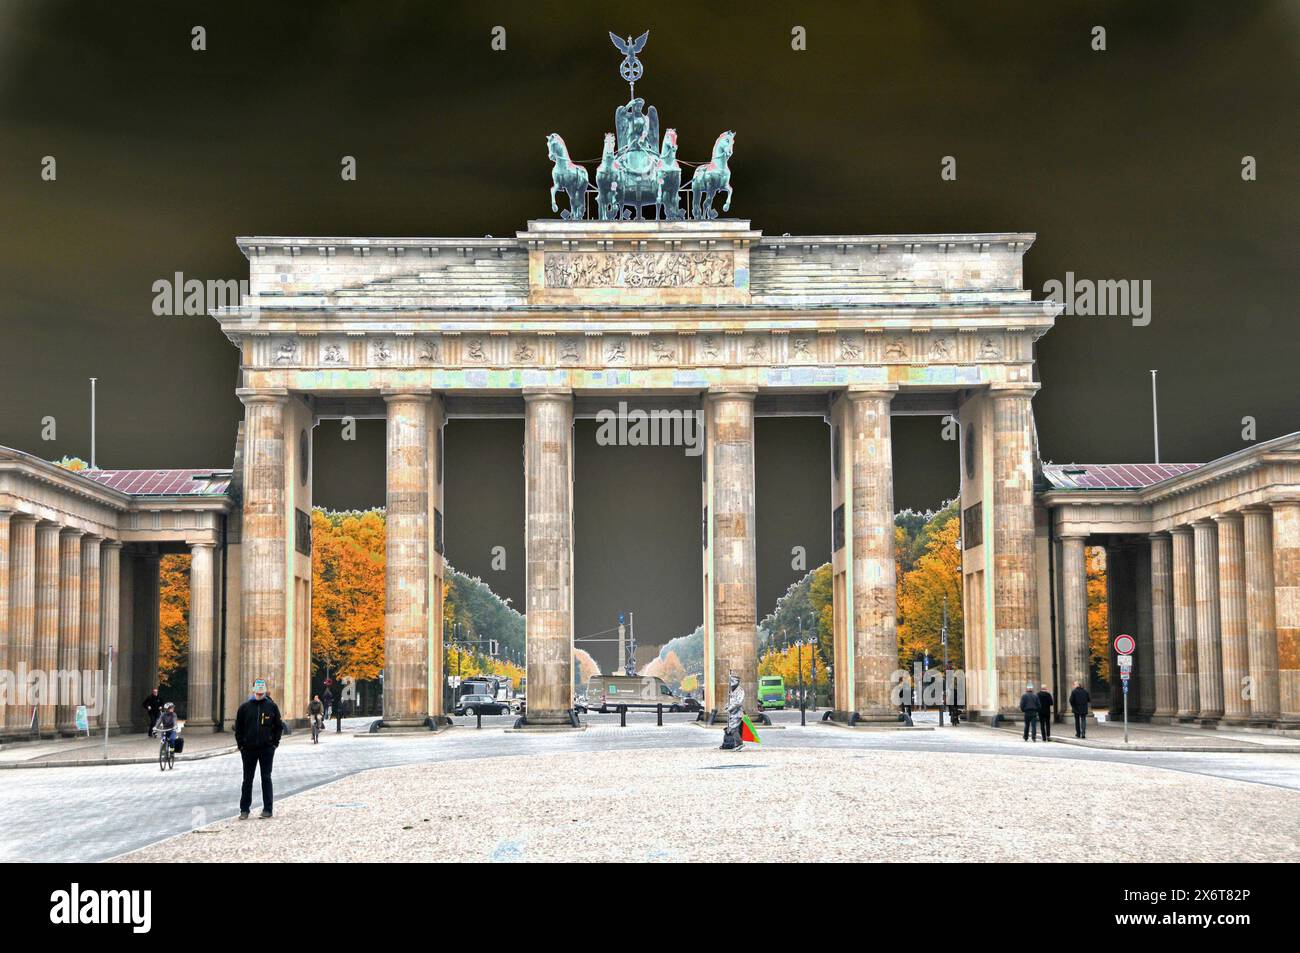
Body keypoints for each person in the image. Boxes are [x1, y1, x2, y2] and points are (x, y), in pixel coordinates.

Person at [234, 677, 283, 819]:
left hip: (266, 748)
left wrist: (274, 743)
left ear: (265, 690)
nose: (260, 692)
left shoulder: (271, 706)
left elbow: (278, 727)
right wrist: (241, 744)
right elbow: (239, 727)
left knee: (266, 778)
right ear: (254, 689)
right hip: (248, 749)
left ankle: (268, 809)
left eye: (262, 689)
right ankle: (244, 810)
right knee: (247, 779)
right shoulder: (244, 707)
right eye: (258, 688)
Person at [719, 673, 745, 750]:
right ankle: (737, 744)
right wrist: (727, 706)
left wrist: (730, 707)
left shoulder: (740, 690)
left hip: (737, 713)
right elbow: (731, 701)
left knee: (733, 728)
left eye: (732, 681)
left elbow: (738, 702)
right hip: (732, 714)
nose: (730, 683)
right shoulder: (732, 691)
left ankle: (739, 744)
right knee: (733, 729)